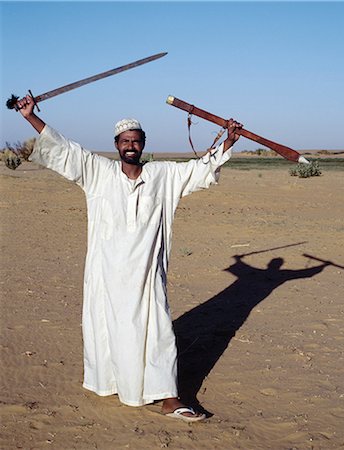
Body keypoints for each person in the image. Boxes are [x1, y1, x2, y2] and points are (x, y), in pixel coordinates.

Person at [16, 94, 243, 422]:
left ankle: (170, 399)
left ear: (143, 144)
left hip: (147, 274)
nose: (131, 146)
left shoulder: (163, 176)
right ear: (117, 144)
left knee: (159, 331)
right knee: (113, 332)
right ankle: (116, 384)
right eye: (125, 141)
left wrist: (227, 142)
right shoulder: (99, 173)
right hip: (107, 275)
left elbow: (198, 171)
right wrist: (29, 117)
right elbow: (65, 149)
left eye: (136, 141)